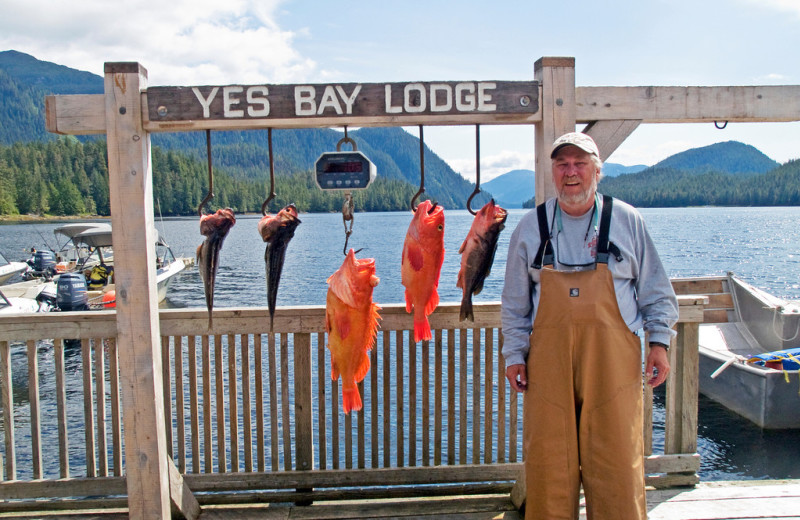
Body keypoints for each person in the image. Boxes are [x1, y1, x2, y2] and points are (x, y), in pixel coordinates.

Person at [501, 132, 678, 519]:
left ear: (598, 171)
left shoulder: (628, 221)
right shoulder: (530, 227)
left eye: (580, 164)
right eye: (562, 164)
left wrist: (660, 343)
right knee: (549, 463)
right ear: (552, 172)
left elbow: (656, 290)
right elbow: (514, 304)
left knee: (616, 462)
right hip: (547, 366)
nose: (571, 172)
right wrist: (514, 354)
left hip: (613, 363)